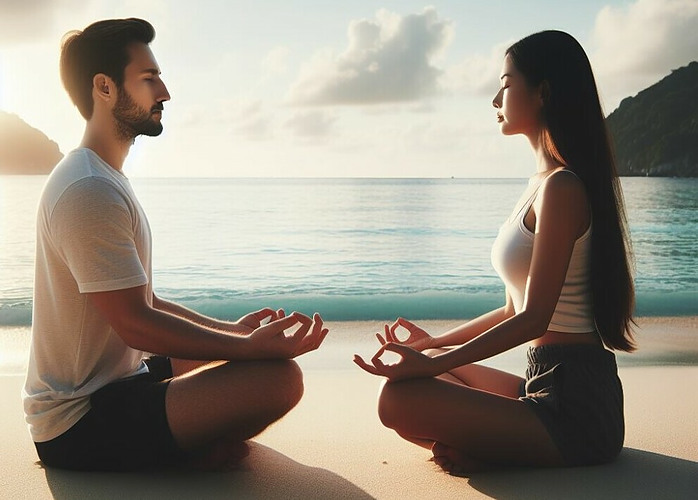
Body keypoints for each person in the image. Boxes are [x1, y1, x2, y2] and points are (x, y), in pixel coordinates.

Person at [23, 18, 328, 472]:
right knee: (278, 380)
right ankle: (177, 453)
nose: (164, 92)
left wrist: (235, 333)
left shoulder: (103, 177)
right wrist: (253, 350)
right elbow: (136, 325)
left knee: (242, 358)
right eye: (149, 79)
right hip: (78, 420)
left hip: (123, 378)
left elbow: (145, 301)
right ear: (104, 87)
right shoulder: (88, 189)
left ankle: (180, 440)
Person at [354, 30, 635, 475]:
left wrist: (440, 360)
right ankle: (492, 447)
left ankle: (494, 450)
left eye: (505, 83)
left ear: (542, 92)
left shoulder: (563, 187)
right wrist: (433, 344)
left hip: (577, 406)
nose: (495, 98)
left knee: (400, 397)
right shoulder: (540, 186)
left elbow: (535, 319)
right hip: (542, 383)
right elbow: (511, 309)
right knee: (421, 375)